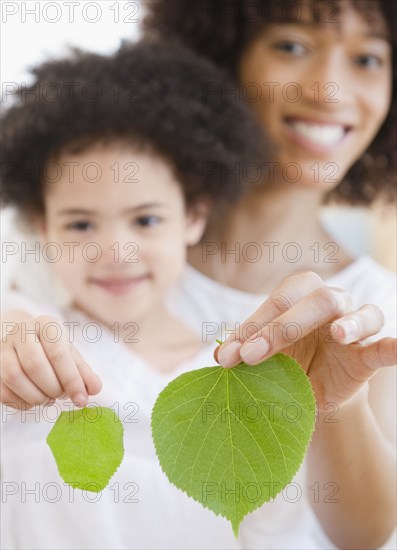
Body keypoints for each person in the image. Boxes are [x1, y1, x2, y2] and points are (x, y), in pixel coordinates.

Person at [144, 1, 397, 548]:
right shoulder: (113, 256)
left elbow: (369, 534)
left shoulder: (374, 309)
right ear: (220, 61)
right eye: (292, 46)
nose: (329, 90)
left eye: (369, 59)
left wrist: (339, 404)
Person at [0, 41, 270, 549]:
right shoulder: (28, 347)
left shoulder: (240, 364)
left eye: (146, 219)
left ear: (193, 217)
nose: (116, 252)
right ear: (42, 227)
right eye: (80, 224)